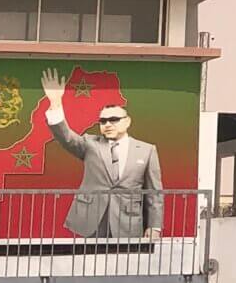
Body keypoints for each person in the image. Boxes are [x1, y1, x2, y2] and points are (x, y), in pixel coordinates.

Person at [40, 66, 163, 239]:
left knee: (125, 265)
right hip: (92, 220)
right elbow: (65, 137)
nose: (108, 124)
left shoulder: (146, 150)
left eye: (114, 119)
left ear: (127, 122)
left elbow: (154, 192)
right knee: (90, 265)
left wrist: (154, 226)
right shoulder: (90, 144)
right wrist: (55, 102)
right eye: (103, 121)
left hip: (128, 222)